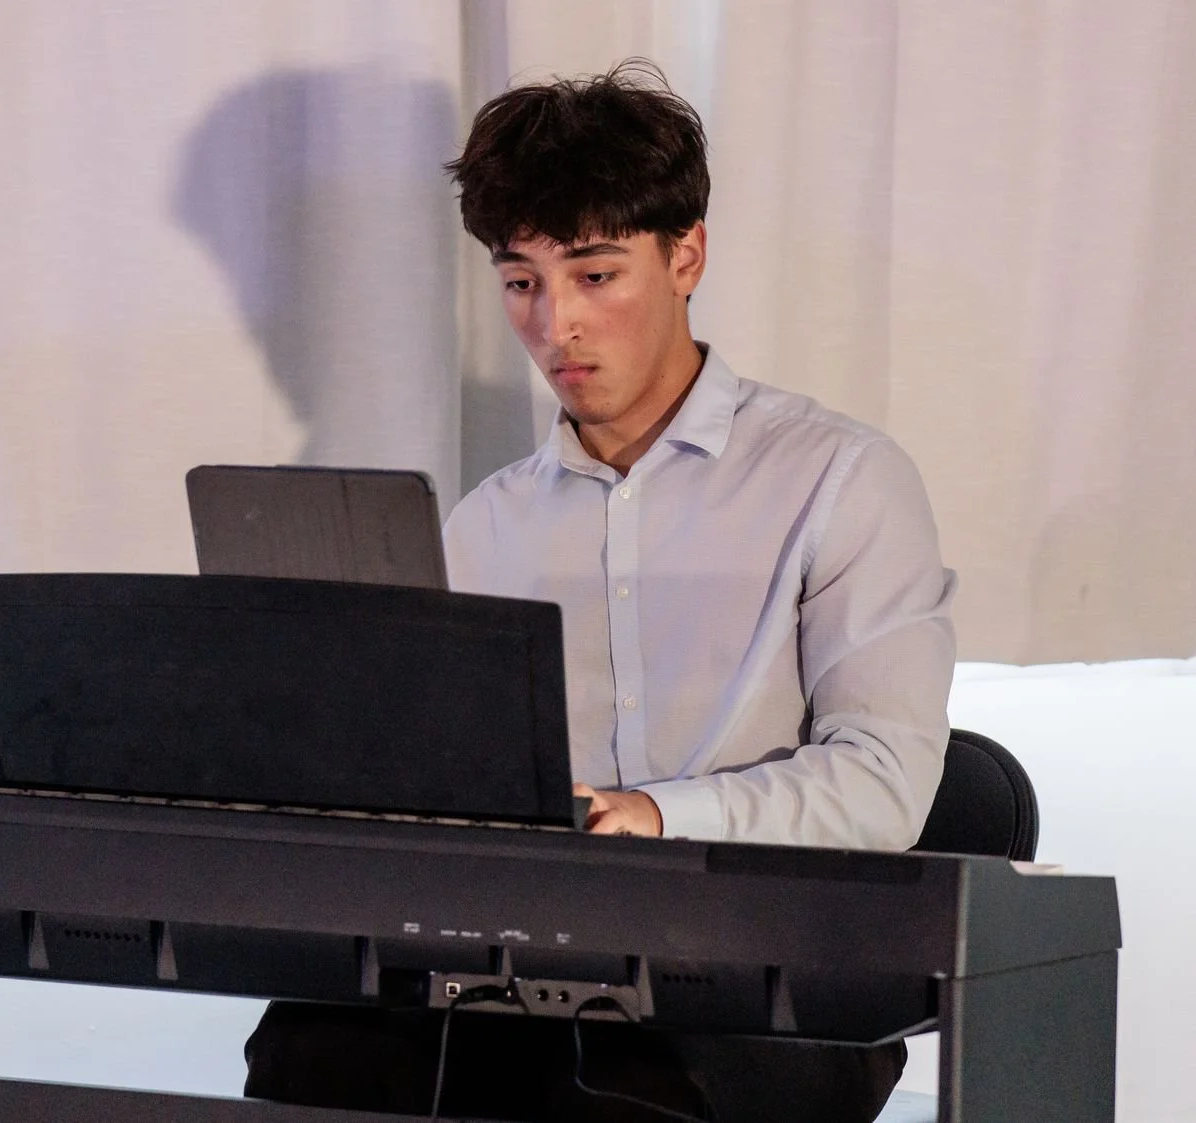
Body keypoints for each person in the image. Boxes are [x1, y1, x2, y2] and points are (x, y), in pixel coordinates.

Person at [245, 59, 956, 1122]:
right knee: (314, 1050)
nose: (555, 326)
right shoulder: (484, 525)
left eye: (595, 274)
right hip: (526, 955)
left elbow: (884, 780)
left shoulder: (842, 478)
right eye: (521, 282)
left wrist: (657, 816)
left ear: (686, 256)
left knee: (624, 1086)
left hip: (771, 971)